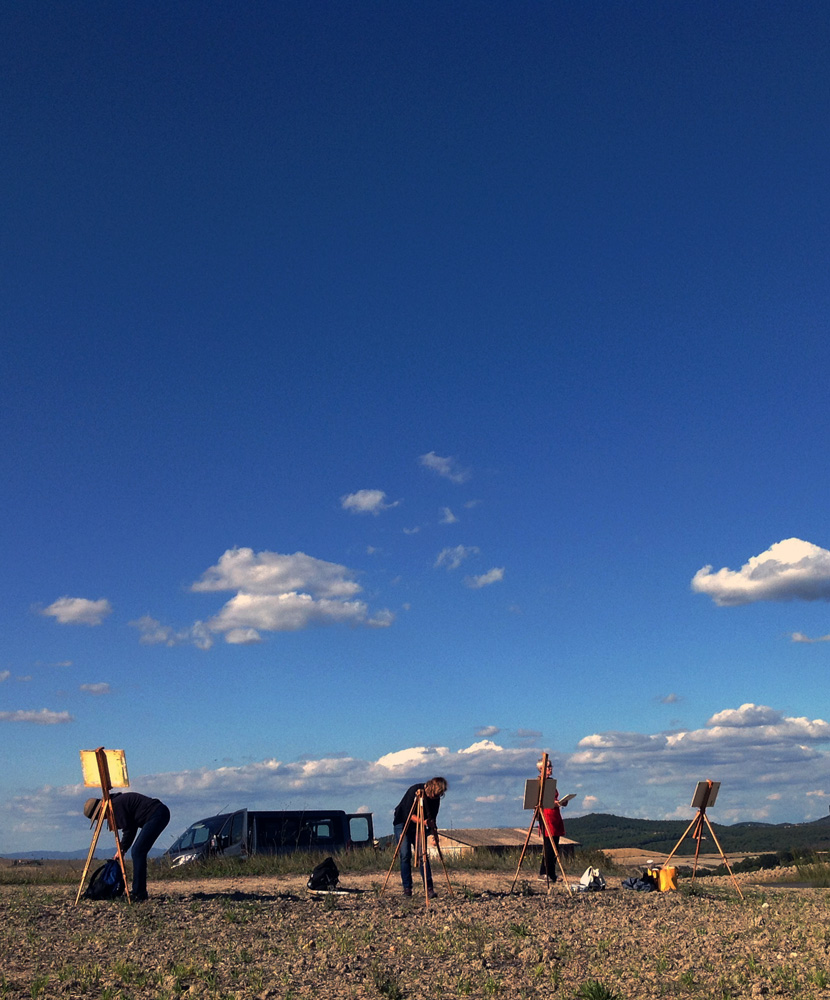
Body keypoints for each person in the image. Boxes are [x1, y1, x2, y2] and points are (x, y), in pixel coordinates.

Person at [84, 792, 170, 901]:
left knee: (138, 851)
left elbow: (129, 829)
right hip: (158, 813)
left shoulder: (115, 806)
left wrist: (122, 848)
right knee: (138, 851)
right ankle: (139, 891)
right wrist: (122, 849)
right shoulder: (115, 804)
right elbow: (131, 827)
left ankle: (139, 893)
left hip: (157, 814)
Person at [392, 777, 448, 897]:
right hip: (403, 823)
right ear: (431, 788)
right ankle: (407, 888)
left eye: (439, 795)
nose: (435, 797)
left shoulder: (436, 799)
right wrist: (423, 822)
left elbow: (432, 817)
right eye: (435, 794)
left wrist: (434, 833)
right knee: (405, 854)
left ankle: (429, 888)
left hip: (420, 825)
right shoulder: (414, 791)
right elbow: (408, 815)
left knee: (422, 855)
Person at [537, 758, 566, 881]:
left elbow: (553, 800)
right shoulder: (539, 782)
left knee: (555, 845)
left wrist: (561, 803)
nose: (550, 768)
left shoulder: (551, 782)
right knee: (549, 845)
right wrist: (556, 803)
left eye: (551, 766)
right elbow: (542, 801)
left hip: (555, 815)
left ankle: (552, 873)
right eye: (547, 767)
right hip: (547, 815)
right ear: (541, 769)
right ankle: (545, 872)